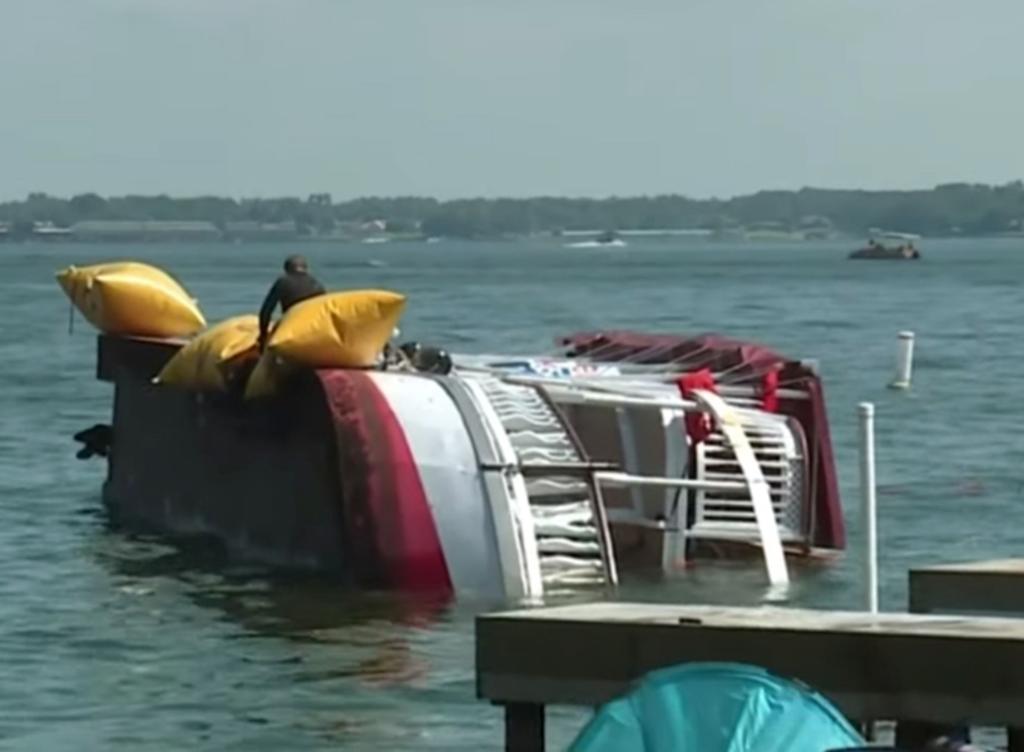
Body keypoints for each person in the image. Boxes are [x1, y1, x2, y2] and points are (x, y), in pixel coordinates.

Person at [258, 254, 325, 350]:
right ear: (305, 268)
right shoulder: (316, 284)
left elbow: (266, 311)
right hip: (313, 330)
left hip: (290, 327)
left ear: (286, 269)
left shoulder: (283, 282)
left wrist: (263, 335)